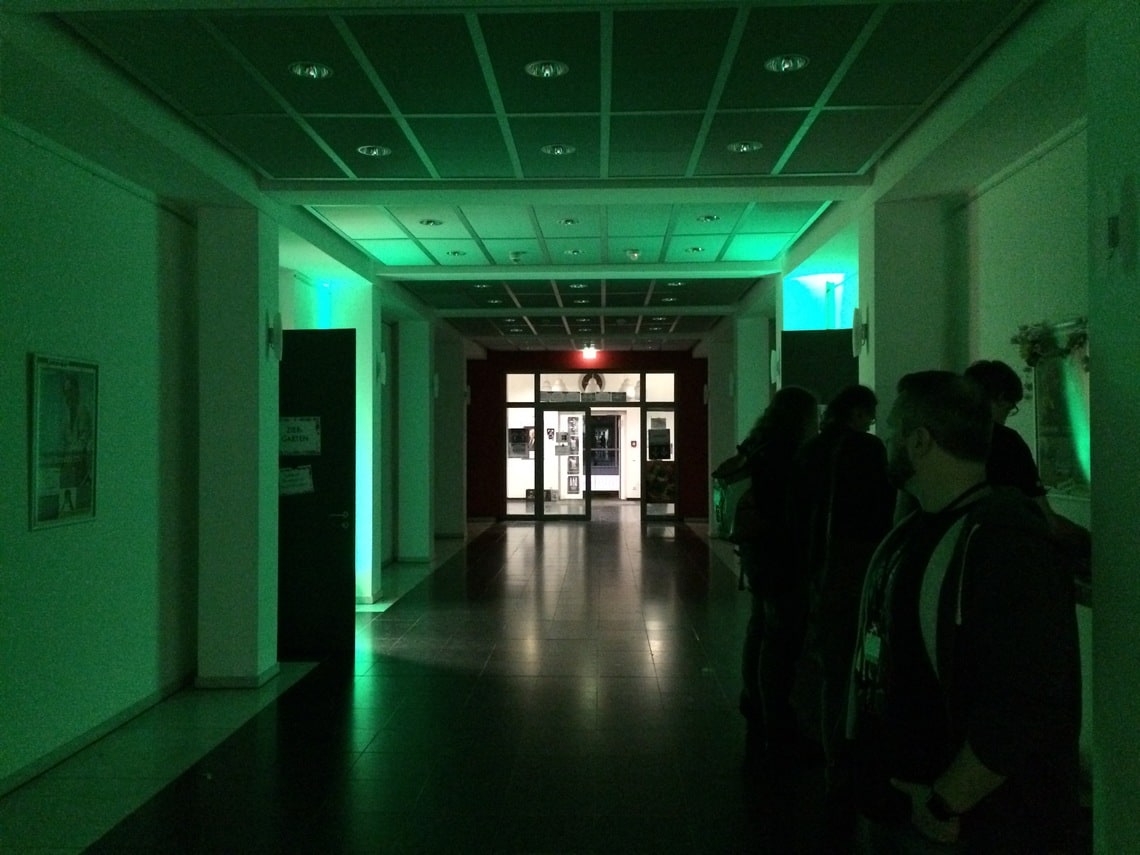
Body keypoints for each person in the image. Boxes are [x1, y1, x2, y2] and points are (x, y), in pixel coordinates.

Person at [849, 371, 1080, 853]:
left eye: (892, 430)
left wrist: (945, 803)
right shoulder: (918, 529)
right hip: (903, 805)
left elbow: (1026, 700)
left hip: (955, 824)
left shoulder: (1003, 544)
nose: (885, 440)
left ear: (919, 441)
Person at [790, 385, 894, 846]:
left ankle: (833, 759)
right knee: (861, 661)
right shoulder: (866, 451)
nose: (872, 421)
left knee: (831, 666)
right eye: (869, 413)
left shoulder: (812, 450)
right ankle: (855, 755)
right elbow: (881, 508)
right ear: (856, 412)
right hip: (857, 565)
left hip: (820, 567)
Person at [735, 385, 820, 772]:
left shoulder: (760, 445)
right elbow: (787, 511)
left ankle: (755, 699)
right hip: (779, 555)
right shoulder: (786, 455)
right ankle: (776, 718)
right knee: (779, 635)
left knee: (761, 626)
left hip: (759, 552)